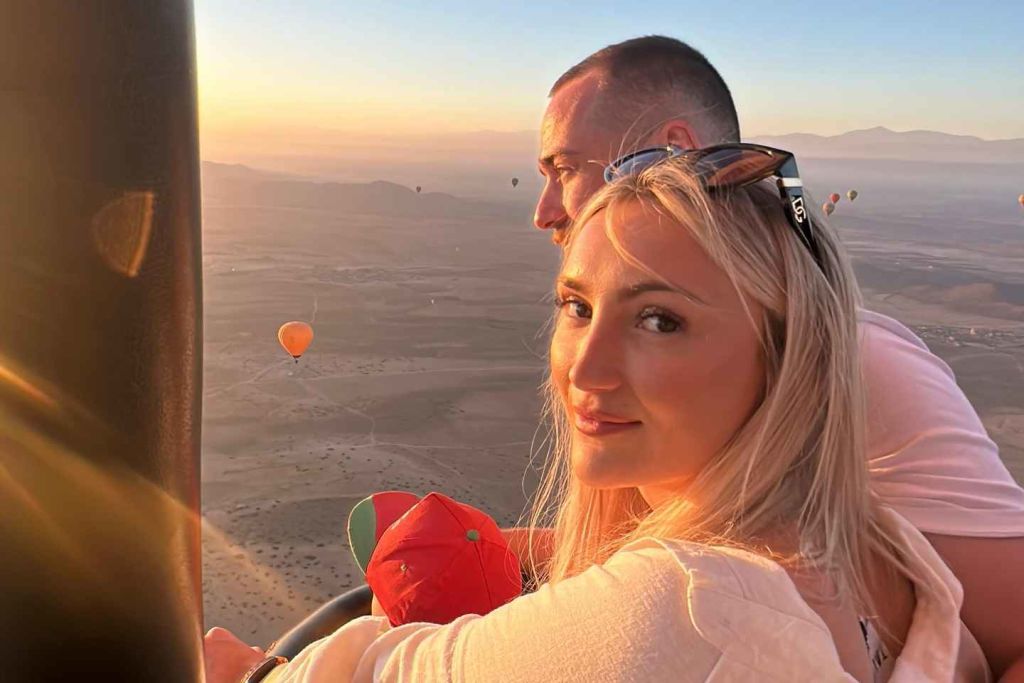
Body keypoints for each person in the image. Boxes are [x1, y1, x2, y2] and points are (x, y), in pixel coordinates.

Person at [206, 143, 994, 681]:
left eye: (660, 320)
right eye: (577, 306)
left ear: (790, 358)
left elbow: (396, 673)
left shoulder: (693, 608)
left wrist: (252, 670)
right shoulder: (885, 554)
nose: (584, 368)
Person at [514, 35, 1024, 679]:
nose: (544, 212)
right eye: (577, 308)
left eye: (564, 168)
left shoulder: (852, 357)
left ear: (674, 151)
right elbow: (704, 539)